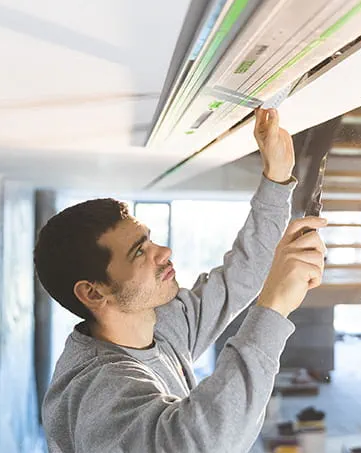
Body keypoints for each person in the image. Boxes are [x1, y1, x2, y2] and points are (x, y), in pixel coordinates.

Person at [34, 108, 327, 453]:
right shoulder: (96, 391)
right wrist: (273, 308)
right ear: (93, 292)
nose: (164, 251)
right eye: (139, 252)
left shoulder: (163, 325)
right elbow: (199, 444)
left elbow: (243, 274)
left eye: (149, 239)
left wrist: (276, 179)